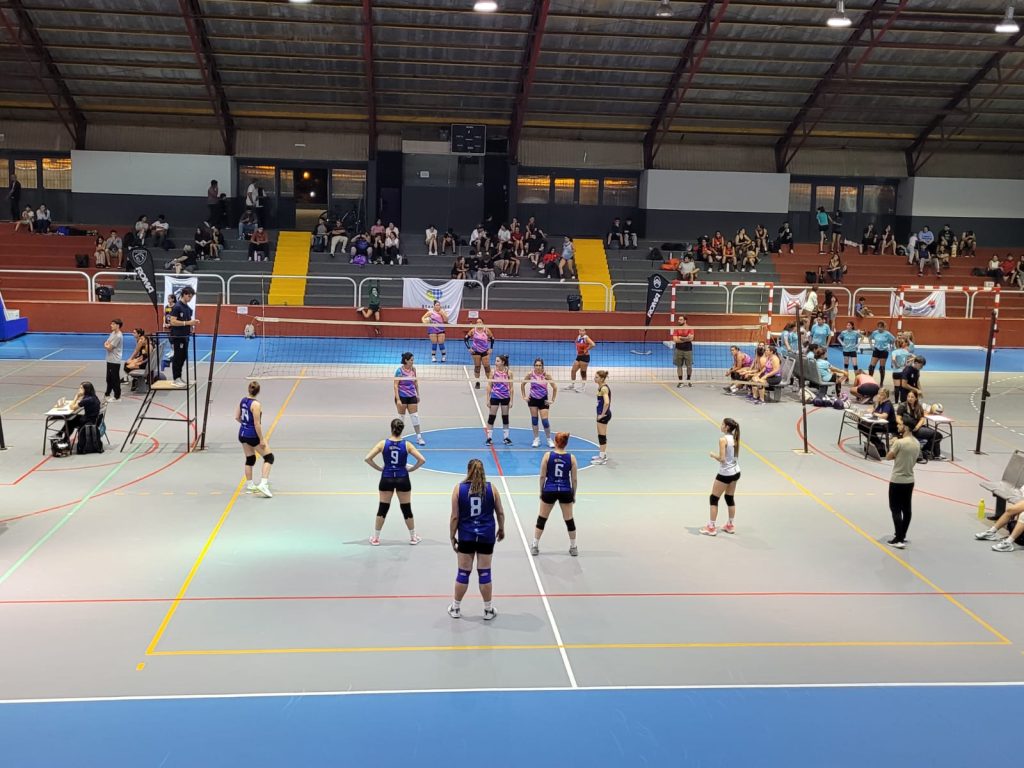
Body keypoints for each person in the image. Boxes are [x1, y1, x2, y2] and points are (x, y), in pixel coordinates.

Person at [448, 459, 505, 620]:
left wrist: (452, 535)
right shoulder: (492, 489)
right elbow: (500, 512)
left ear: (468, 471)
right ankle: (488, 610)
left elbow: (454, 517)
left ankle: (456, 608)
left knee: (463, 572)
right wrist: (501, 528)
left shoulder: (459, 489)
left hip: (466, 536)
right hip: (486, 536)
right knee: (485, 572)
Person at [364, 418, 426, 546]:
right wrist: (411, 469)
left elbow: (368, 458)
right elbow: (422, 460)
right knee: (406, 508)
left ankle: (376, 538)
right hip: (402, 478)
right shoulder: (407, 445)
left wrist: (380, 468)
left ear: (391, 428)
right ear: (401, 429)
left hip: (386, 478)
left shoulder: (383, 444)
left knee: (383, 508)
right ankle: (413, 537)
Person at [532, 431, 579, 556]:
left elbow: (542, 476)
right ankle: (573, 547)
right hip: (565, 490)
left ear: (555, 442)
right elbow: (574, 479)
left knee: (542, 518)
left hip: (550, 489)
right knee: (569, 519)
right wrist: (573, 494)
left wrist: (541, 490)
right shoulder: (571, 458)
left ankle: (535, 545)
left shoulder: (547, 456)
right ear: (566, 443)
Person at [701, 418, 741, 536]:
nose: (721, 425)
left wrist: (713, 455)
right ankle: (730, 525)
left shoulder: (723, 440)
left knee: (714, 498)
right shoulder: (735, 438)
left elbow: (722, 459)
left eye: (723, 424)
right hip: (736, 472)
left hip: (725, 474)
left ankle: (711, 527)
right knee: (729, 498)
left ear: (727, 427)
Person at [884, 419, 920, 548]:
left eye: (900, 424)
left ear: (906, 427)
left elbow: (888, 456)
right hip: (909, 480)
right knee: (907, 509)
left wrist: (892, 444)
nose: (898, 426)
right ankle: (902, 535)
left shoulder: (899, 443)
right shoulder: (917, 443)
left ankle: (898, 539)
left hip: (897, 480)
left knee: (895, 509)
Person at [236, 380, 273, 498]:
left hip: (242, 433)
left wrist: (245, 425)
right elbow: (257, 424)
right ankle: (263, 484)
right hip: (252, 435)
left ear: (249, 389)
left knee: (250, 459)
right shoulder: (256, 404)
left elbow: (237, 417)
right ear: (258, 391)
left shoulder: (242, 400)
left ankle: (250, 485)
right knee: (269, 457)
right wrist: (261, 439)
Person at [522, 357, 557, 448]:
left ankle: (549, 439)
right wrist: (524, 396)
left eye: (539, 365)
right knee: (534, 420)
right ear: (534, 366)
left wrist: (552, 400)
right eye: (536, 365)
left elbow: (555, 387)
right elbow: (522, 384)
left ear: (542, 366)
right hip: (533, 399)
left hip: (543, 400)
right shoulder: (530, 374)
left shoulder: (546, 375)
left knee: (545, 421)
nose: (538, 367)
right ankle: (536, 439)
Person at [897, 390, 942, 461]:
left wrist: (917, 427)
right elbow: (898, 418)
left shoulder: (919, 406)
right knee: (936, 435)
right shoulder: (902, 406)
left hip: (917, 428)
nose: (910, 398)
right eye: (908, 396)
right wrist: (902, 425)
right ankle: (927, 451)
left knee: (938, 435)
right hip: (908, 429)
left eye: (912, 397)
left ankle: (927, 450)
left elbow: (922, 418)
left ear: (916, 398)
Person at [167, 285, 198, 387]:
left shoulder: (187, 308)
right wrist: (187, 323)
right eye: (189, 296)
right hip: (177, 336)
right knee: (178, 357)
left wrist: (192, 325)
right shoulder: (177, 307)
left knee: (183, 357)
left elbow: (188, 321)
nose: (190, 298)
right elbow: (172, 321)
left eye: (192, 297)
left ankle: (179, 377)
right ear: (184, 294)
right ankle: (176, 379)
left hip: (185, 336)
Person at [393, 352, 426, 446]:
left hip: (412, 396)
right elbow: (395, 386)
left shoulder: (413, 369)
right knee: (401, 418)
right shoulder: (399, 371)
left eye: (413, 360)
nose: (413, 361)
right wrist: (398, 399)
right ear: (406, 360)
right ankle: (397, 437)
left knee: (415, 416)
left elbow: (415, 382)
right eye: (411, 360)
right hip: (402, 396)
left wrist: (418, 395)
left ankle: (419, 437)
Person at [485, 354, 514, 446]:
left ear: (503, 362)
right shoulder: (493, 372)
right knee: (491, 417)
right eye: (495, 361)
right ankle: (489, 438)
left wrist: (511, 400)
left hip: (505, 397)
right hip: (495, 397)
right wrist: (488, 399)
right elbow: (489, 386)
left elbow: (511, 388)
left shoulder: (509, 373)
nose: (495, 362)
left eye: (497, 361)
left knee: (505, 417)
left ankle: (506, 438)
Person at [860, 388, 897, 460]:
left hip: (888, 426)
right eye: (878, 394)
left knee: (867, 427)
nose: (879, 396)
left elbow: (884, 416)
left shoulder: (887, 404)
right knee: (861, 424)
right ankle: (875, 443)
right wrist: (871, 409)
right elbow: (873, 410)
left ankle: (879, 444)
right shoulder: (880, 402)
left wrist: (873, 413)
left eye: (881, 395)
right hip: (879, 423)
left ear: (886, 396)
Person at [465, 318, 494, 389]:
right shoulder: (473, 330)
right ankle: (477, 382)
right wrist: (469, 348)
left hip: (485, 351)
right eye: (477, 322)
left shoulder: (486, 330)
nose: (478, 323)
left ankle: (490, 383)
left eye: (480, 322)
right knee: (477, 367)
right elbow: (465, 339)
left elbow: (492, 338)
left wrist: (491, 348)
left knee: (487, 367)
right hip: (476, 351)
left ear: (482, 323)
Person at [592, 371, 611, 464]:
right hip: (602, 414)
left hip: (603, 415)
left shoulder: (604, 388)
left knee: (602, 436)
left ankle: (602, 458)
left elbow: (606, 402)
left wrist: (602, 414)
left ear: (602, 379)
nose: (594, 378)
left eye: (596, 377)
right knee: (601, 435)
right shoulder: (601, 387)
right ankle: (603, 455)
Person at [103, 318, 123, 403]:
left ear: (117, 325)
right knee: (109, 378)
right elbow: (106, 342)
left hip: (115, 360)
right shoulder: (113, 333)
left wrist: (106, 345)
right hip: (110, 359)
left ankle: (117, 396)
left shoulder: (118, 336)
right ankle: (107, 394)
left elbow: (109, 347)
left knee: (115, 379)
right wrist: (106, 345)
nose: (111, 325)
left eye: (113, 324)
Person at [671, 315, 694, 387]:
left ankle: (688, 380)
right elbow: (675, 340)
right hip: (678, 350)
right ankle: (680, 382)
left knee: (689, 366)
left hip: (688, 350)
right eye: (679, 319)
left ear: (685, 320)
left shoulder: (690, 328)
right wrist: (686, 338)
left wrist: (680, 337)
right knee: (679, 366)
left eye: (681, 320)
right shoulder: (676, 329)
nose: (679, 321)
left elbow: (691, 338)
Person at [569, 328, 595, 392]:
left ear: (585, 332)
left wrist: (586, 349)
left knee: (583, 372)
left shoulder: (586, 338)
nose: (581, 332)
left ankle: (583, 387)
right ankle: (572, 385)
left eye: (583, 331)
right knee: (573, 370)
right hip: (579, 356)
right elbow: (576, 342)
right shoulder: (578, 337)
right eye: (580, 330)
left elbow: (593, 344)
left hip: (585, 357)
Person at [889, 338, 912, 403]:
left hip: (896, 372)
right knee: (902, 387)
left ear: (896, 345)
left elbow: (893, 359)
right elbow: (914, 357)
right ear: (902, 344)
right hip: (903, 371)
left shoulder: (894, 352)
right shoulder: (905, 351)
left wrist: (896, 365)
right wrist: (907, 363)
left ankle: (896, 401)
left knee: (896, 387)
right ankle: (902, 401)